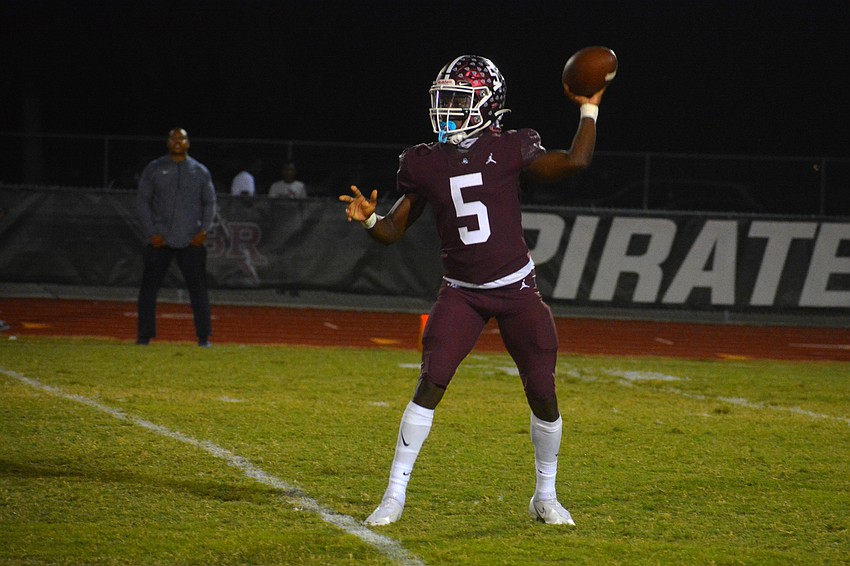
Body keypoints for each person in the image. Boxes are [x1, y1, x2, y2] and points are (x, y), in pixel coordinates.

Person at [339, 55, 606, 526]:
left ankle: (545, 496)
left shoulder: (510, 149)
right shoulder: (424, 163)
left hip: (516, 288)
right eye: (442, 100)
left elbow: (577, 161)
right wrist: (371, 220)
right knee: (430, 383)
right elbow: (394, 229)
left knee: (542, 391)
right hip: (461, 291)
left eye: (458, 101)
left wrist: (589, 107)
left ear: (489, 105)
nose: (446, 111)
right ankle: (393, 496)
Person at [137, 127, 217, 347]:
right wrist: (152, 233)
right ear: (168, 143)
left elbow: (210, 202)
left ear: (188, 143)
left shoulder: (200, 171)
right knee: (148, 289)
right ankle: (144, 337)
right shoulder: (154, 168)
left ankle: (203, 337)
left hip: (191, 239)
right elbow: (143, 201)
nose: (178, 142)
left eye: (181, 138)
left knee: (199, 288)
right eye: (173, 138)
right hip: (160, 239)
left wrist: (203, 231)